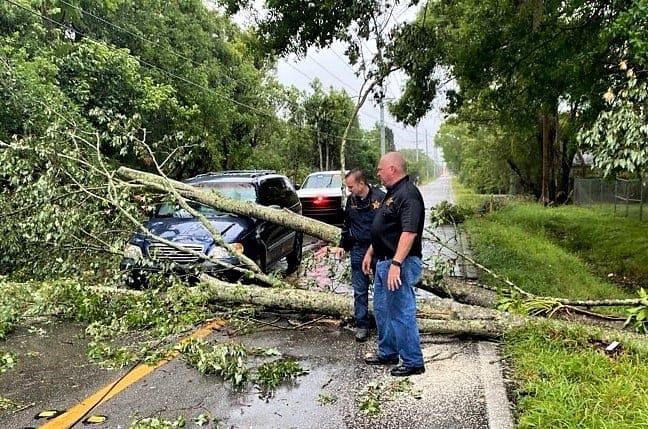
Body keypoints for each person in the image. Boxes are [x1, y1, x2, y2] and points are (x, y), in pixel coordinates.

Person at [361, 152, 426, 377]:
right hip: (382, 261)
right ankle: (387, 352)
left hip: (399, 263)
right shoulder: (392, 193)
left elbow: (408, 233)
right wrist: (371, 251)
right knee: (382, 310)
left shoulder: (408, 195)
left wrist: (396, 264)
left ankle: (413, 361)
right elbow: (384, 229)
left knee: (401, 311)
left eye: (380, 169)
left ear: (392, 169)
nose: (377, 173)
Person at [331, 169, 385, 342]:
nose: (349, 190)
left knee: (381, 289)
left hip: (378, 250)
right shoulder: (351, 201)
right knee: (359, 290)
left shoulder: (380, 198)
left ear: (361, 184)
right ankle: (361, 325)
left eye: (351, 186)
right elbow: (347, 225)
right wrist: (342, 246)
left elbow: (386, 228)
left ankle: (383, 325)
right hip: (357, 249)